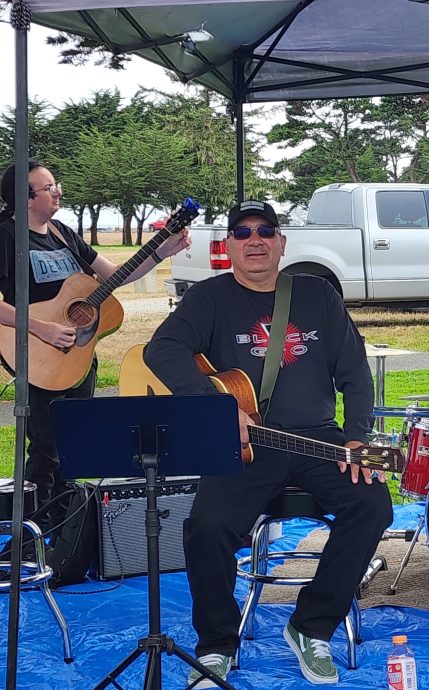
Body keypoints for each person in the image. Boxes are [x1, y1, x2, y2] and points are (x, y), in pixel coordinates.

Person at [144, 200, 391, 688]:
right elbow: (161, 350)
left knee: (373, 504)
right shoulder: (209, 298)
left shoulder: (317, 293)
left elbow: (356, 373)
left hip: (318, 440)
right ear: (228, 246)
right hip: (242, 447)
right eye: (242, 233)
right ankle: (216, 644)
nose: (254, 240)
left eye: (264, 231)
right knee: (206, 528)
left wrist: (359, 437)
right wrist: (215, 409)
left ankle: (311, 625)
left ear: (281, 243)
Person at [0, 160, 190, 529]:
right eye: (49, 187)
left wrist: (160, 252)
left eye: (56, 185)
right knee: (46, 449)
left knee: (79, 443)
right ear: (25, 198)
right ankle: (39, 530)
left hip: (81, 356)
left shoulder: (62, 233)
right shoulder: (6, 236)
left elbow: (117, 274)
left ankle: (70, 525)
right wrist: (42, 328)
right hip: (38, 354)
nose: (58, 192)